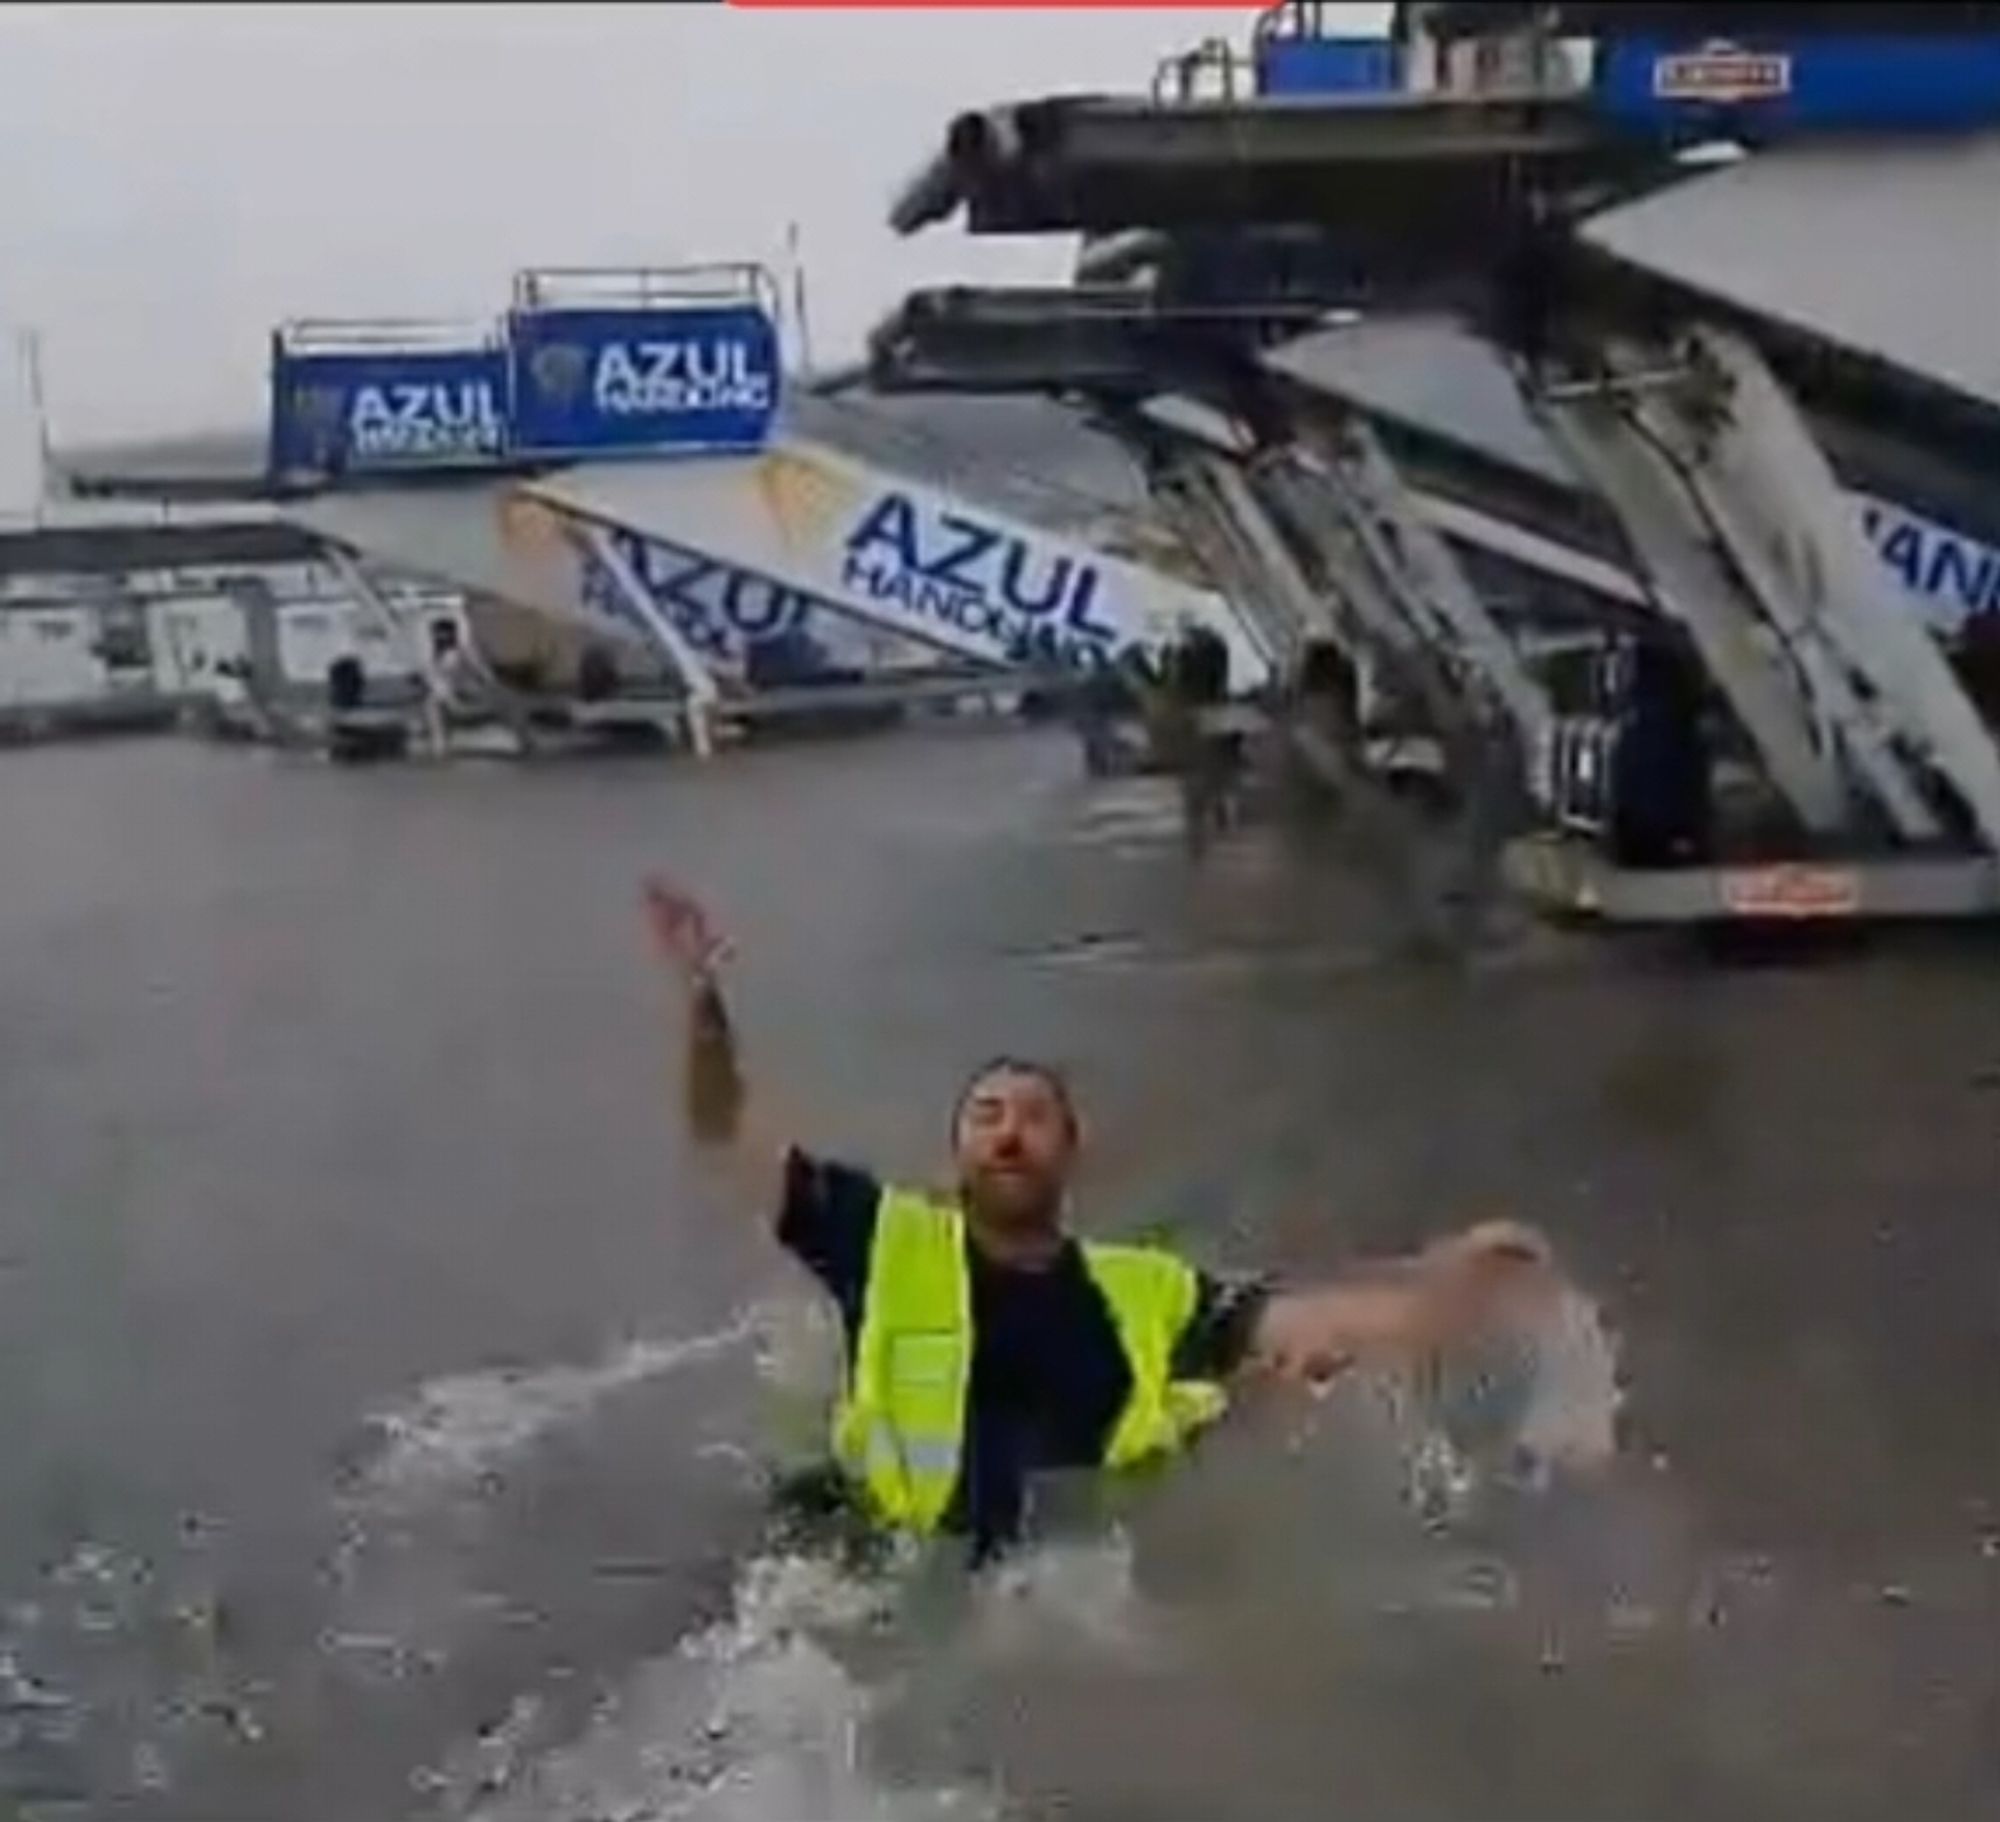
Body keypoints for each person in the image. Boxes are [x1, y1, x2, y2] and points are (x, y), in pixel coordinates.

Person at [642, 877, 1559, 1566]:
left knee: (1266, 1402)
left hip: (1057, 1576)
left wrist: (1452, 1290)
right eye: (987, 1117)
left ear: (1072, 1153)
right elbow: (722, 1134)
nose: (1010, 1135)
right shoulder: (882, 1240)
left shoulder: (1146, 1289)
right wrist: (703, 1009)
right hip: (869, 1563)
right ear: (956, 1154)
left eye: (1034, 1118)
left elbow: (1315, 1321)